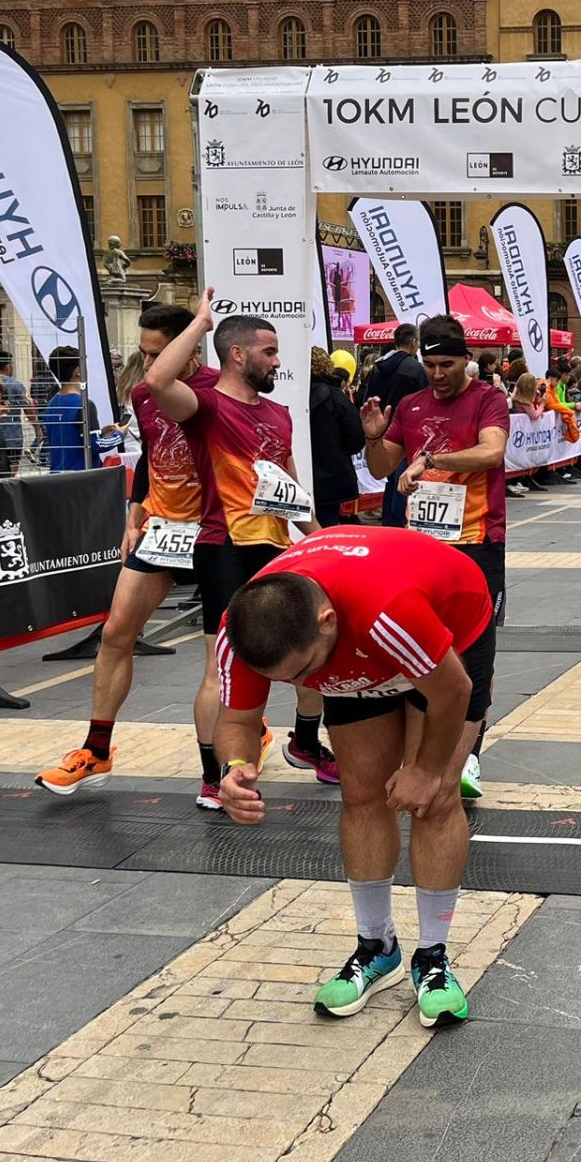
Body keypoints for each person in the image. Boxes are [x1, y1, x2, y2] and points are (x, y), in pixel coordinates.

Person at [214, 527, 489, 1024]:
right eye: (283, 680)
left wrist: (426, 769)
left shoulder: (387, 611)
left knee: (434, 799)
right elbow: (235, 721)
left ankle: (434, 957)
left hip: (444, 636)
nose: (300, 687)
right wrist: (233, 768)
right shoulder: (245, 633)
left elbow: (453, 692)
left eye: (303, 671)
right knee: (362, 795)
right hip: (355, 648)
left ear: (325, 622)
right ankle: (377, 945)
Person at [139, 288, 324, 807]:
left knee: (313, 643)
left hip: (273, 547)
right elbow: (156, 380)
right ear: (238, 354)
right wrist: (199, 323)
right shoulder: (206, 407)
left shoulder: (279, 412)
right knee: (221, 667)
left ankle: (306, 741)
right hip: (225, 546)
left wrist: (320, 536)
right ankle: (211, 775)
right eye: (269, 350)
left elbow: (288, 485)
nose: (277, 359)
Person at [361, 313, 511, 800]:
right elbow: (385, 465)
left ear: (467, 359)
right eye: (431, 365)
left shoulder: (487, 399)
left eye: (448, 364)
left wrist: (430, 461)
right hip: (420, 547)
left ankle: (471, 757)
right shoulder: (411, 403)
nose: (439, 374)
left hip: (475, 542)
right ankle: (424, 749)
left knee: (475, 653)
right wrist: (373, 435)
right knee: (422, 645)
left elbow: (491, 454)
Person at [308, 346, 365, 530]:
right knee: (327, 526)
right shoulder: (336, 397)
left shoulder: (289, 395)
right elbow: (356, 438)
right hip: (331, 476)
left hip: (299, 475)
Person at [39, 346, 101, 472]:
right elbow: (94, 445)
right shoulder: (84, 404)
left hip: (57, 476)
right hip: (82, 478)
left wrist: (102, 433)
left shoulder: (51, 403)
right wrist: (119, 434)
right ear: (78, 371)